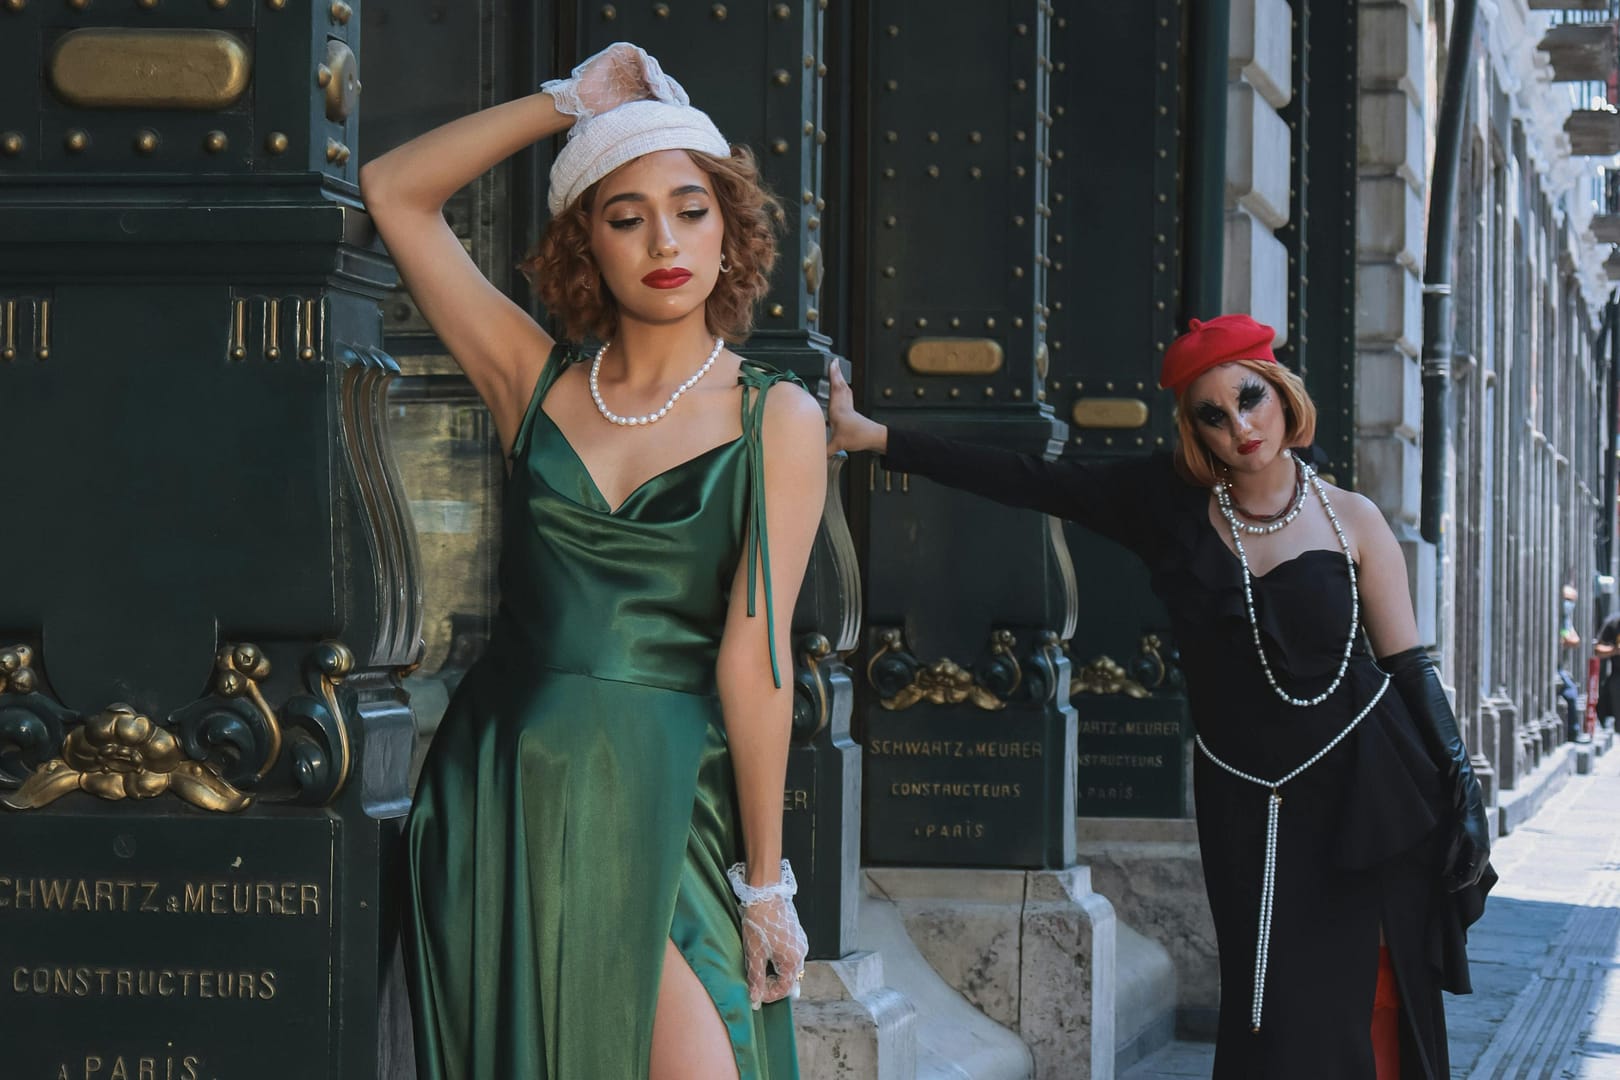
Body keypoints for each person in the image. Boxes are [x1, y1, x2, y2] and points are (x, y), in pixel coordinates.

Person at [826, 314, 1495, 1079]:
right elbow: (1028, 478)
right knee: (1267, 1004)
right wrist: (876, 437)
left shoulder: (1356, 520)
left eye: (1250, 398)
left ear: (1281, 392)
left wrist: (1461, 782)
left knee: (1355, 1002)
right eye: (1214, 414)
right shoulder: (1165, 508)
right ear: (1194, 429)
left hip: (1366, 791)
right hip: (1248, 798)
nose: (1240, 425)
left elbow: (1409, 663)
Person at [360, 42, 824, 1080]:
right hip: (502, 790)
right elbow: (394, 192)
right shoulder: (535, 380)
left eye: (691, 209)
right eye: (627, 218)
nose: (665, 239)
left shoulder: (775, 418)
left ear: (730, 232)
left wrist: (763, 882)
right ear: (589, 249)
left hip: (663, 791)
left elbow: (757, 664)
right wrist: (567, 102)